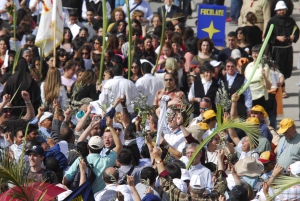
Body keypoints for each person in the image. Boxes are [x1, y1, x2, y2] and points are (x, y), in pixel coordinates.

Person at [265, 1, 299, 95]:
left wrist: (293, 37)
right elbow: (267, 34)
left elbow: (296, 31)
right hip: (277, 49)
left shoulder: (290, 21)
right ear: (276, 11)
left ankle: (281, 87)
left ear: (286, 10)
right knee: (278, 69)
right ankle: (282, 89)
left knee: (286, 69)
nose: (281, 12)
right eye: (279, 10)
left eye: (283, 10)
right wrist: (276, 38)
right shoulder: (272, 21)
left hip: (287, 49)